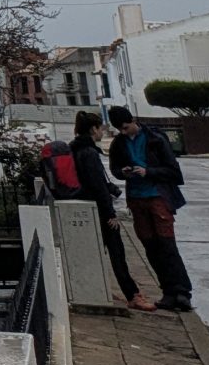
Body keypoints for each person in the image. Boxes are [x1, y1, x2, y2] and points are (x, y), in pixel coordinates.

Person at [66, 111, 154, 310]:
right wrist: (110, 213)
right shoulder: (88, 153)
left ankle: (101, 288)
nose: (102, 133)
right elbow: (96, 185)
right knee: (117, 253)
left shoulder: (76, 149)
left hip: (87, 206)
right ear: (93, 129)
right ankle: (133, 295)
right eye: (100, 129)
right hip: (98, 209)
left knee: (97, 252)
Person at [108, 105, 194, 311]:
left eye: (126, 127)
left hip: (157, 196)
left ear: (132, 121)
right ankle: (167, 292)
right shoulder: (118, 144)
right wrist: (124, 172)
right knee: (151, 247)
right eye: (120, 129)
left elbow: (173, 171)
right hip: (136, 199)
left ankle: (181, 292)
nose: (124, 132)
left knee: (167, 245)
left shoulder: (155, 138)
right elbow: (115, 170)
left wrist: (149, 172)